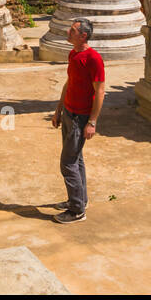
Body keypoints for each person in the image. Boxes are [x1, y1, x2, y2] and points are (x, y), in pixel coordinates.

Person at [51, 17, 105, 223]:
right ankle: (80, 199)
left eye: (72, 30)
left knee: (68, 163)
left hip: (81, 117)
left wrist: (92, 122)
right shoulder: (73, 54)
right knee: (76, 159)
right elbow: (69, 83)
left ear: (83, 35)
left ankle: (76, 211)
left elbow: (100, 91)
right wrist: (58, 110)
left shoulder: (93, 59)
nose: (68, 32)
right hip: (68, 112)